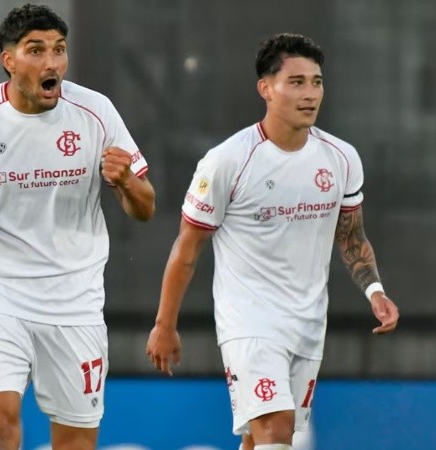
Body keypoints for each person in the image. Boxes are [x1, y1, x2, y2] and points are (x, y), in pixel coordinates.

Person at [145, 33, 399, 450]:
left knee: (262, 438)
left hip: (308, 322)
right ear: (266, 88)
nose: (310, 93)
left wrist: (375, 291)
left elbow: (352, 237)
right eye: (296, 82)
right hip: (249, 320)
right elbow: (187, 248)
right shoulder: (228, 160)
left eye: (316, 82)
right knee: (276, 430)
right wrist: (164, 324)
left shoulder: (341, 158)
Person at [0, 4, 155, 450]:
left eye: (59, 50)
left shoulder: (96, 112)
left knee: (75, 443)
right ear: (9, 61)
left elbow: (145, 207)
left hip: (74, 303)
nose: (52, 63)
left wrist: (125, 181)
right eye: (36, 50)